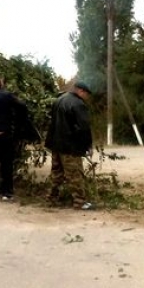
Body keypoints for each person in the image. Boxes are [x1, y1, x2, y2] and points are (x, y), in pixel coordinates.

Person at [45, 80, 94, 210]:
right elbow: (84, 127)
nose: (87, 97)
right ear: (81, 91)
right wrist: (88, 146)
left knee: (56, 173)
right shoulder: (78, 104)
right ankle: (80, 202)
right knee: (75, 174)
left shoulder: (59, 100)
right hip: (70, 146)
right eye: (87, 94)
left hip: (56, 144)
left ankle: (51, 199)